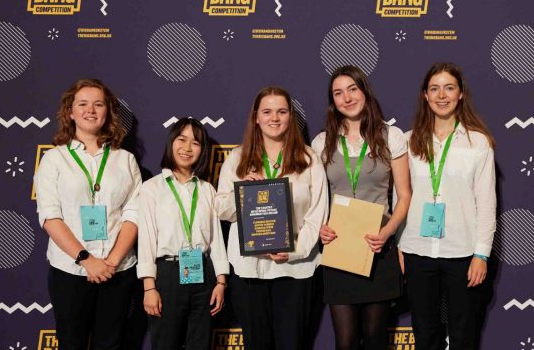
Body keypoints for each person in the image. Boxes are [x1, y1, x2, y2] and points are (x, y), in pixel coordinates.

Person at [215, 86, 328, 350]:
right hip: (248, 269)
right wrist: (242, 192)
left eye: (281, 111)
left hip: (296, 270)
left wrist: (295, 251)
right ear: (256, 117)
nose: (274, 118)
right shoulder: (237, 159)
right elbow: (221, 209)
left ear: (291, 116)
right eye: (266, 112)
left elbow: (317, 215)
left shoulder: (308, 159)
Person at [35, 78, 142, 349]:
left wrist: (112, 261)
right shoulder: (54, 159)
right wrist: (86, 260)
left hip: (117, 270)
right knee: (72, 343)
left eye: (98, 104)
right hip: (69, 270)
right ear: (70, 112)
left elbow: (134, 214)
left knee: (111, 343)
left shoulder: (125, 160)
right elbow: (50, 216)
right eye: (82, 104)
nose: (90, 110)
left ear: (107, 112)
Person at [311, 65, 411, 350]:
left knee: (376, 340)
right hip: (339, 250)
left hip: (377, 249)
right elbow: (314, 198)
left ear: (364, 92)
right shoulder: (321, 142)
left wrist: (388, 232)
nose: (347, 98)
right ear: (333, 101)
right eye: (338, 93)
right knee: (345, 342)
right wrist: (320, 228)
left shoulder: (391, 136)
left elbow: (404, 196)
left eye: (352, 89)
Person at [399, 62, 496, 350]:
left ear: (461, 94)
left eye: (449, 88)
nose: (442, 95)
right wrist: (400, 244)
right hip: (417, 250)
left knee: (463, 334)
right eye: (435, 88)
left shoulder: (478, 143)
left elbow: (487, 204)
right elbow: (399, 198)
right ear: (425, 96)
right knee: (425, 332)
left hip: (463, 252)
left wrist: (482, 254)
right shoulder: (407, 141)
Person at [137, 118, 229, 350]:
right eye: (182, 140)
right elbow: (146, 239)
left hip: (203, 273)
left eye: (196, 143)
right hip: (167, 274)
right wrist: (149, 287)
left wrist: (221, 281)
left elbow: (216, 238)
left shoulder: (207, 189)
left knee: (200, 344)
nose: (187, 148)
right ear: (171, 143)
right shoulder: (152, 188)